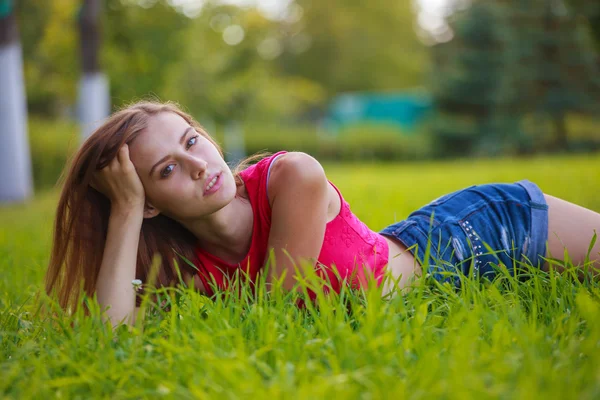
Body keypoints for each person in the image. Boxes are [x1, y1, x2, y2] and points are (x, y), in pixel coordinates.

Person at [45, 101, 600, 324]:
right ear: (145, 203)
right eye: (164, 171)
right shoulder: (186, 266)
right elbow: (109, 338)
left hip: (483, 231)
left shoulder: (293, 176)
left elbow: (282, 313)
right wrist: (124, 215)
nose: (195, 165)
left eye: (191, 141)